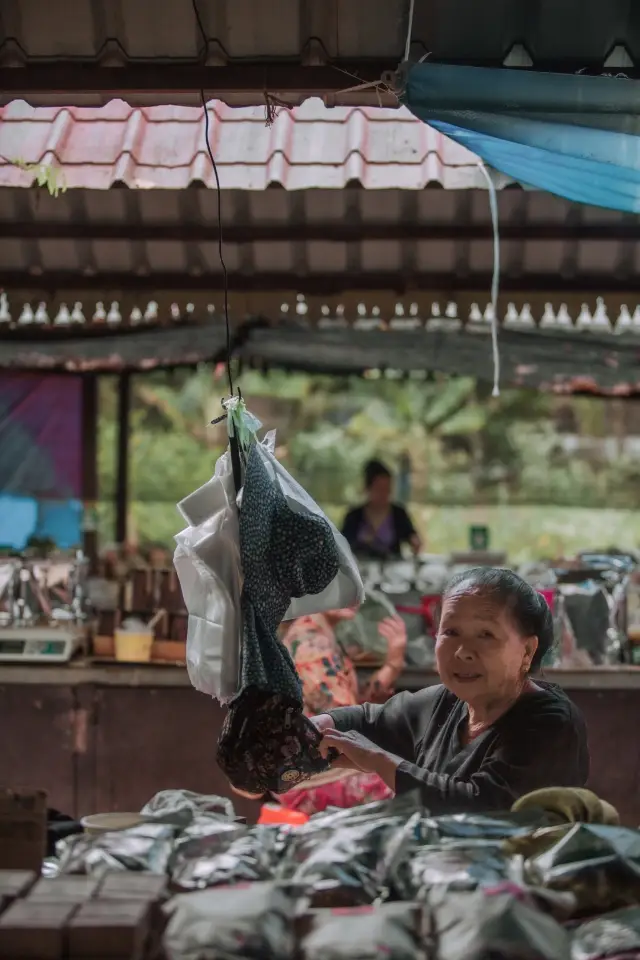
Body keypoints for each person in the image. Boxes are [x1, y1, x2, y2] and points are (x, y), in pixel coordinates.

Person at [316, 568, 590, 814]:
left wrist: (380, 762)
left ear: (527, 651)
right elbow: (368, 721)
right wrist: (317, 727)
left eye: (485, 635)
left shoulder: (551, 723)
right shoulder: (443, 703)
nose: (462, 651)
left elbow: (482, 807)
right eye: (451, 632)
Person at [275, 607, 407, 815]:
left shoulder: (319, 633)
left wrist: (393, 663)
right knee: (413, 786)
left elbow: (356, 705)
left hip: (321, 765)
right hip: (315, 778)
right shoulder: (312, 643)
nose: (353, 594)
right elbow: (342, 720)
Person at [342, 460, 421, 560]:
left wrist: (415, 542)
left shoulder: (399, 513)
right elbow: (342, 545)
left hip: (393, 569)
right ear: (368, 489)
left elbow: (411, 535)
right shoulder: (354, 516)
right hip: (361, 569)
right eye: (379, 489)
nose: (384, 494)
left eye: (387, 489)